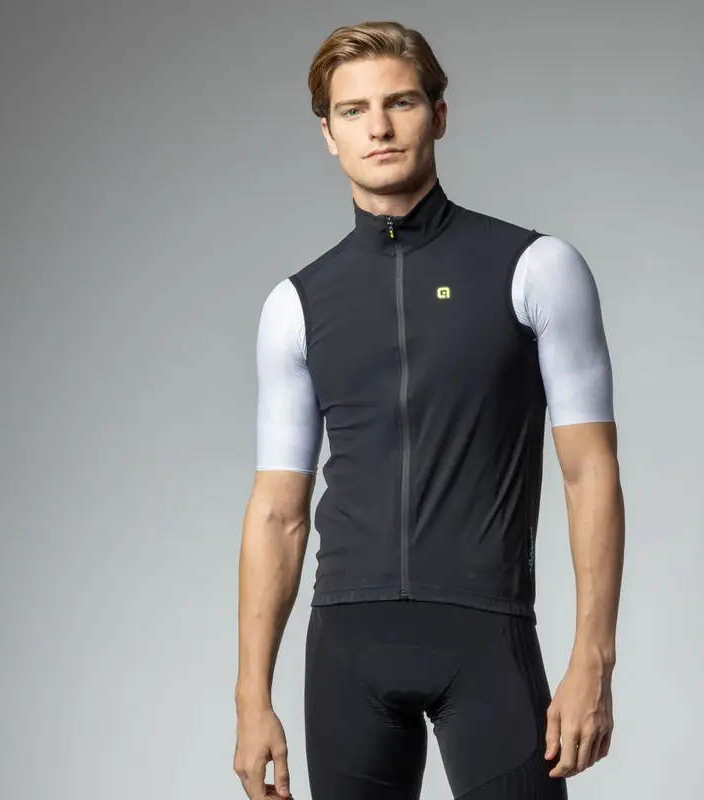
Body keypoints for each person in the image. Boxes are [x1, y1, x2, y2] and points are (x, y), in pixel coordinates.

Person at [234, 20, 625, 800]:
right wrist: (251, 697)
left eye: (400, 102)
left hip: (486, 634)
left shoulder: (536, 269)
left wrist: (594, 658)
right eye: (353, 111)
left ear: (439, 115)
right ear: (329, 134)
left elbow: (591, 473)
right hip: (346, 649)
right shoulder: (296, 305)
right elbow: (277, 512)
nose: (378, 127)